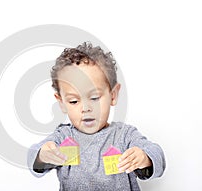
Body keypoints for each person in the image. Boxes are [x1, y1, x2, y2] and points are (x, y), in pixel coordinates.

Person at [27, 42, 166, 190]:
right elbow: (33, 158)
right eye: (74, 101)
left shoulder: (124, 135)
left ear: (113, 95)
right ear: (61, 102)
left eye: (94, 98)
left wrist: (145, 158)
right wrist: (43, 155)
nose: (86, 108)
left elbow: (158, 156)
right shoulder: (62, 137)